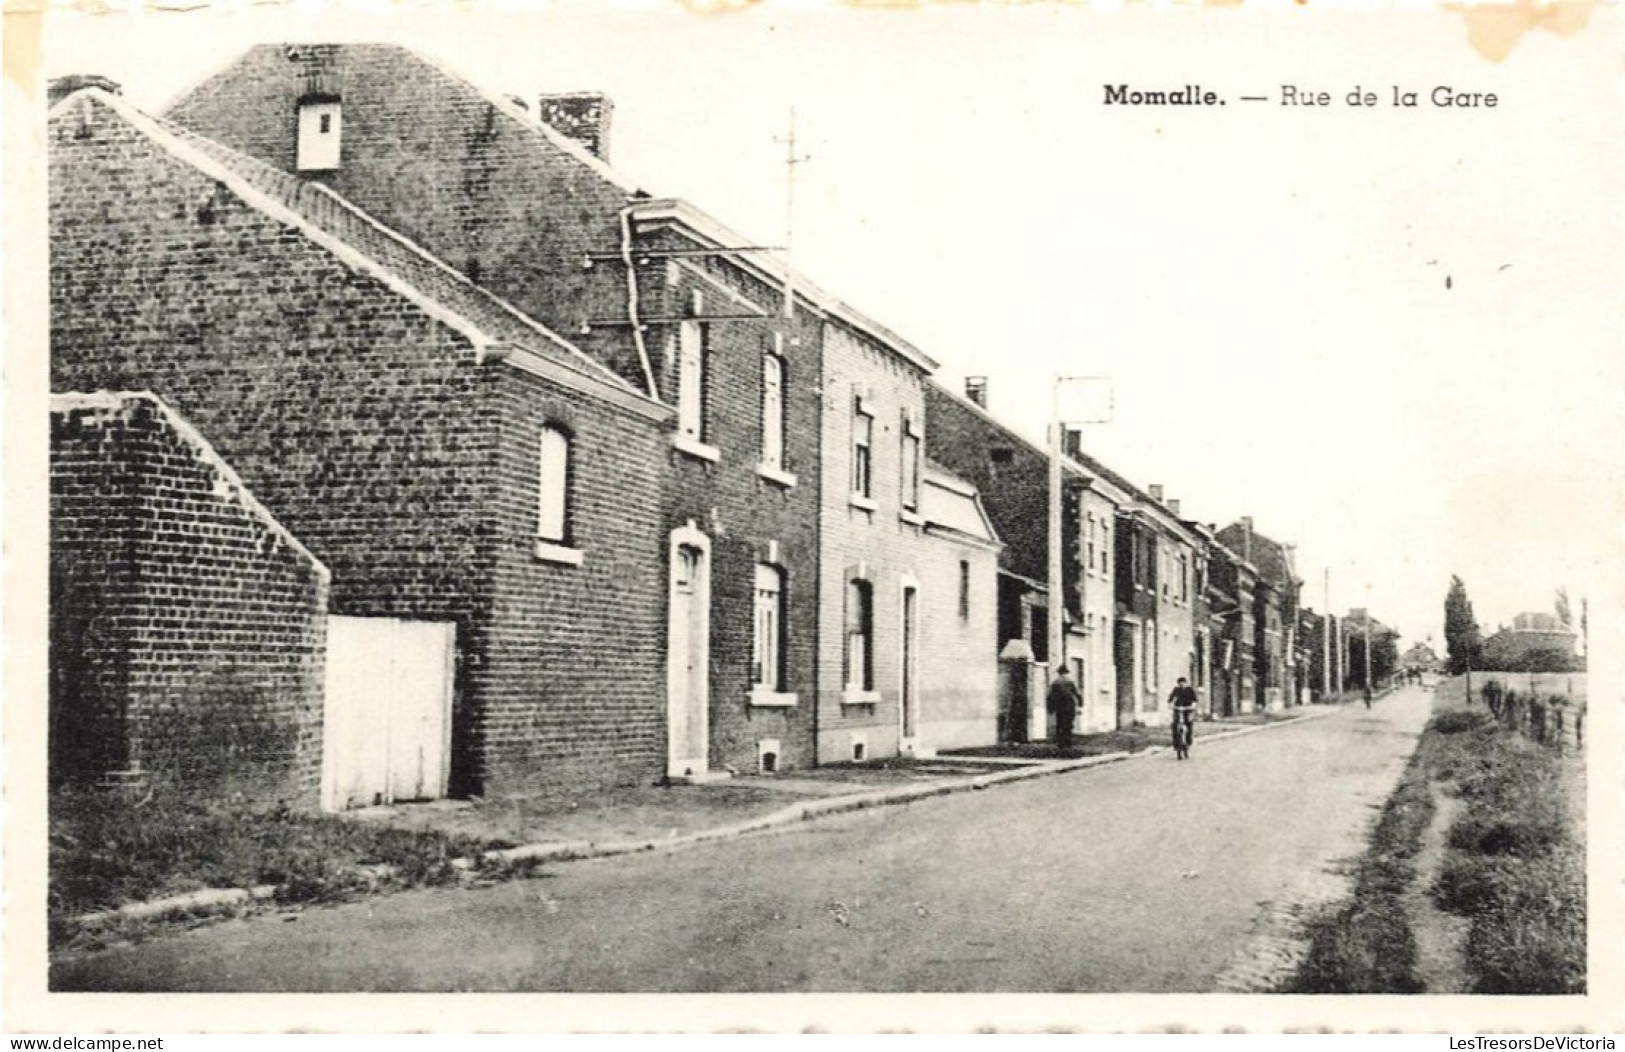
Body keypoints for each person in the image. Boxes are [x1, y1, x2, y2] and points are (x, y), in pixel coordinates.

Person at [1046, 667, 1082, 754]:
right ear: (1066, 673)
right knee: (1068, 725)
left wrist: (1050, 708)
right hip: (1069, 705)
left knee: (1060, 724)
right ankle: (1067, 743)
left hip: (1060, 706)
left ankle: (1061, 744)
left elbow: (1050, 696)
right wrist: (1080, 704)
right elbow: (1077, 694)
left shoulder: (1055, 682)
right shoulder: (1070, 681)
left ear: (1059, 673)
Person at [1168, 677, 1198, 759]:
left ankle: (1188, 741)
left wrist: (1193, 706)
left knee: (1189, 724)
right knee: (1175, 725)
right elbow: (1170, 699)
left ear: (1185, 683)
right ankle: (1176, 745)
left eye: (1183, 683)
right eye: (1180, 684)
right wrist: (1171, 705)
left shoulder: (1190, 690)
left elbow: (1194, 700)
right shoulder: (1176, 690)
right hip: (1178, 709)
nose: (1182, 685)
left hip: (1187, 710)